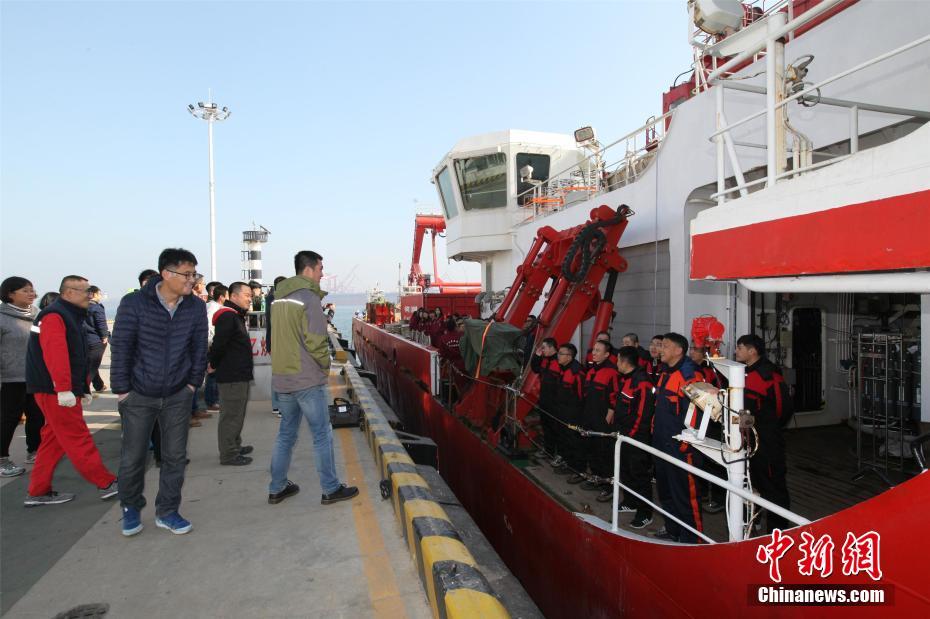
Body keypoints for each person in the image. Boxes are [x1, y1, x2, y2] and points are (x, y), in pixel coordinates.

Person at [111, 248, 208, 536]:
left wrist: (192, 384)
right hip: (139, 394)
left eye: (194, 274)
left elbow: (199, 349)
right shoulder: (134, 304)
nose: (192, 280)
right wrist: (122, 391)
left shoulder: (195, 307)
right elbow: (122, 348)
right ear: (166, 274)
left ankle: (168, 511)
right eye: (187, 274)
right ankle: (130, 506)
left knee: (175, 456)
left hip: (178, 394)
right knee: (133, 457)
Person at [268, 250, 358, 506]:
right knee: (321, 434)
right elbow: (317, 340)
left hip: (283, 377)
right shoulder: (308, 297)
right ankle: (330, 488)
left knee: (286, 434)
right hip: (306, 378)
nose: (322, 273)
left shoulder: (278, 298)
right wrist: (325, 366)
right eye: (320, 268)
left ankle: (277, 487)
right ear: (308, 269)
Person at [23, 276, 118, 506]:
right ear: (68, 293)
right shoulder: (56, 316)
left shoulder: (69, 315)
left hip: (56, 389)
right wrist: (64, 389)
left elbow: (76, 355)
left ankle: (38, 491)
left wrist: (82, 387)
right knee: (77, 438)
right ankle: (106, 483)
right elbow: (56, 355)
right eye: (84, 291)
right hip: (54, 391)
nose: (90, 295)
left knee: (52, 441)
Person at [735, 334, 793, 533]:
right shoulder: (748, 372)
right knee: (754, 481)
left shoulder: (765, 376)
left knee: (773, 486)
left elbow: (782, 409)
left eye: (740, 348)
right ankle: (756, 520)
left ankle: (778, 531)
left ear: (752, 351)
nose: (737, 352)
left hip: (767, 440)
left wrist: (768, 428)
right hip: (753, 438)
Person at [652, 332, 703, 543]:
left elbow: (696, 417)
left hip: (681, 449)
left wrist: (684, 446)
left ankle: (692, 540)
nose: (659, 349)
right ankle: (673, 529)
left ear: (678, 350)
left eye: (664, 346)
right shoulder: (665, 373)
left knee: (685, 497)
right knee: (666, 492)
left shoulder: (690, 377)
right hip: (661, 444)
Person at [1, 276, 43, 476]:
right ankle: (2, 459)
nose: (31, 294)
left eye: (32, 290)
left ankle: (34, 451)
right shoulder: (2, 317)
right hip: (10, 377)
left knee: (36, 416)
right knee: (9, 419)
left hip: (34, 376)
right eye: (25, 290)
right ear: (10, 294)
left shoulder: (38, 314)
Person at [210, 282, 254, 466]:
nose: (250, 299)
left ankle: (234, 444)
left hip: (239, 373)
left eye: (251, 295)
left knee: (238, 413)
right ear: (233, 296)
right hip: (232, 375)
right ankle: (228, 454)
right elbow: (219, 344)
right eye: (246, 295)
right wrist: (212, 363)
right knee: (231, 416)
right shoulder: (228, 317)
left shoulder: (235, 316)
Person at [615, 346, 655, 528]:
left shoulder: (642, 382)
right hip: (624, 435)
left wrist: (631, 436)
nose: (616, 363)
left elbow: (642, 414)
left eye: (618, 360)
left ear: (624, 362)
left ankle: (645, 512)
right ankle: (630, 501)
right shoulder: (627, 379)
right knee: (626, 471)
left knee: (639, 475)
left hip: (636, 438)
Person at [582, 340, 619, 499]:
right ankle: (596, 478)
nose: (594, 353)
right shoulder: (591, 370)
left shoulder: (612, 372)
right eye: (594, 350)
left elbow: (615, 396)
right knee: (591, 449)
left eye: (598, 351)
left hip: (603, 419)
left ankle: (608, 486)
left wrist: (607, 418)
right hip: (589, 416)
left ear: (607, 354)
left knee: (604, 452)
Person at [554, 343, 586, 482]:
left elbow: (581, 396)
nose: (558, 356)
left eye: (561, 354)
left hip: (574, 413)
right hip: (563, 411)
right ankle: (569, 464)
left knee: (575, 440)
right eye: (558, 353)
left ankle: (579, 470)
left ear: (570, 356)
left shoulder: (577, 372)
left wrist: (577, 414)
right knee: (565, 439)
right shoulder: (563, 369)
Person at [530, 337, 562, 465]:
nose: (542, 350)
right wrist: (537, 356)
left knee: (556, 428)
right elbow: (536, 369)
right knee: (546, 426)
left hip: (555, 402)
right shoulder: (544, 360)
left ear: (551, 347)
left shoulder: (559, 361)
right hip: (544, 399)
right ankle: (548, 450)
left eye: (543, 348)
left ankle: (558, 454)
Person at [204, 284, 229, 413]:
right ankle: (211, 402)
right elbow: (209, 326)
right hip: (211, 344)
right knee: (212, 372)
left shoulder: (215, 306)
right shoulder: (213, 308)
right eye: (227, 295)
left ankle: (214, 400)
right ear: (221, 297)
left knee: (214, 372)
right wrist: (210, 343)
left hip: (214, 343)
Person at [265, 276, 287, 417]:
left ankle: (276, 405)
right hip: (278, 342)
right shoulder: (276, 301)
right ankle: (279, 407)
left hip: (273, 341)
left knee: (277, 374)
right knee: (281, 375)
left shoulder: (270, 299)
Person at [84, 286, 110, 392]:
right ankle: (83, 390)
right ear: (94, 294)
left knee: (91, 363)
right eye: (99, 294)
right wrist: (104, 336)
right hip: (96, 340)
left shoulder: (81, 306)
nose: (101, 296)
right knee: (92, 366)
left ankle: (98, 385)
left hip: (85, 339)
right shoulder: (97, 308)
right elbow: (101, 323)